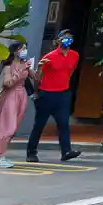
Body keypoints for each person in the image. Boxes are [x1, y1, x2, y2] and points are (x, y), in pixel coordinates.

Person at [28, 28, 82, 163]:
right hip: (46, 94)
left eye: (70, 37)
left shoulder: (74, 55)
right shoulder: (49, 57)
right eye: (65, 37)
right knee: (39, 124)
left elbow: (71, 72)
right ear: (58, 40)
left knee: (63, 124)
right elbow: (38, 78)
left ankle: (66, 151)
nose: (68, 40)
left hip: (63, 94)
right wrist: (40, 68)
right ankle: (31, 152)